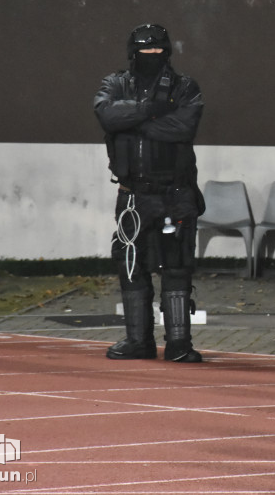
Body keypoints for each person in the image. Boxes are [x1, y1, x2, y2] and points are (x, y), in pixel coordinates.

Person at [93, 23, 206, 363]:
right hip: (133, 194)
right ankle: (137, 341)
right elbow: (106, 115)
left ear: (167, 52)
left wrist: (132, 122)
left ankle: (179, 344)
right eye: (145, 51)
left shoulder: (185, 88)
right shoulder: (114, 84)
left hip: (175, 193)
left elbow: (183, 127)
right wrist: (149, 111)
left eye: (157, 51)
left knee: (177, 265)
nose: (151, 57)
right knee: (131, 264)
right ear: (132, 53)